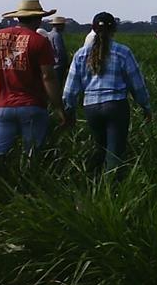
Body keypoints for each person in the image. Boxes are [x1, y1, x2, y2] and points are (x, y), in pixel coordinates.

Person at [0, 0, 66, 190]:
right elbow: (48, 77)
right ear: (37, 19)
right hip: (33, 107)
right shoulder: (39, 41)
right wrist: (58, 107)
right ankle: (29, 195)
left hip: (0, 107)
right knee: (32, 156)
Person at [63, 12, 152, 176]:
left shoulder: (80, 54)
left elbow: (70, 88)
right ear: (114, 29)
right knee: (115, 152)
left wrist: (69, 110)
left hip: (91, 108)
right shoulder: (123, 52)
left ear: (93, 29)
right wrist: (145, 105)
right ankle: (113, 188)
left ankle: (95, 182)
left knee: (100, 147)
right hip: (116, 105)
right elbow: (136, 83)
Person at [48, 16, 69, 85]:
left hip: (52, 65)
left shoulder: (49, 35)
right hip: (58, 66)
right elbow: (60, 51)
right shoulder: (57, 35)